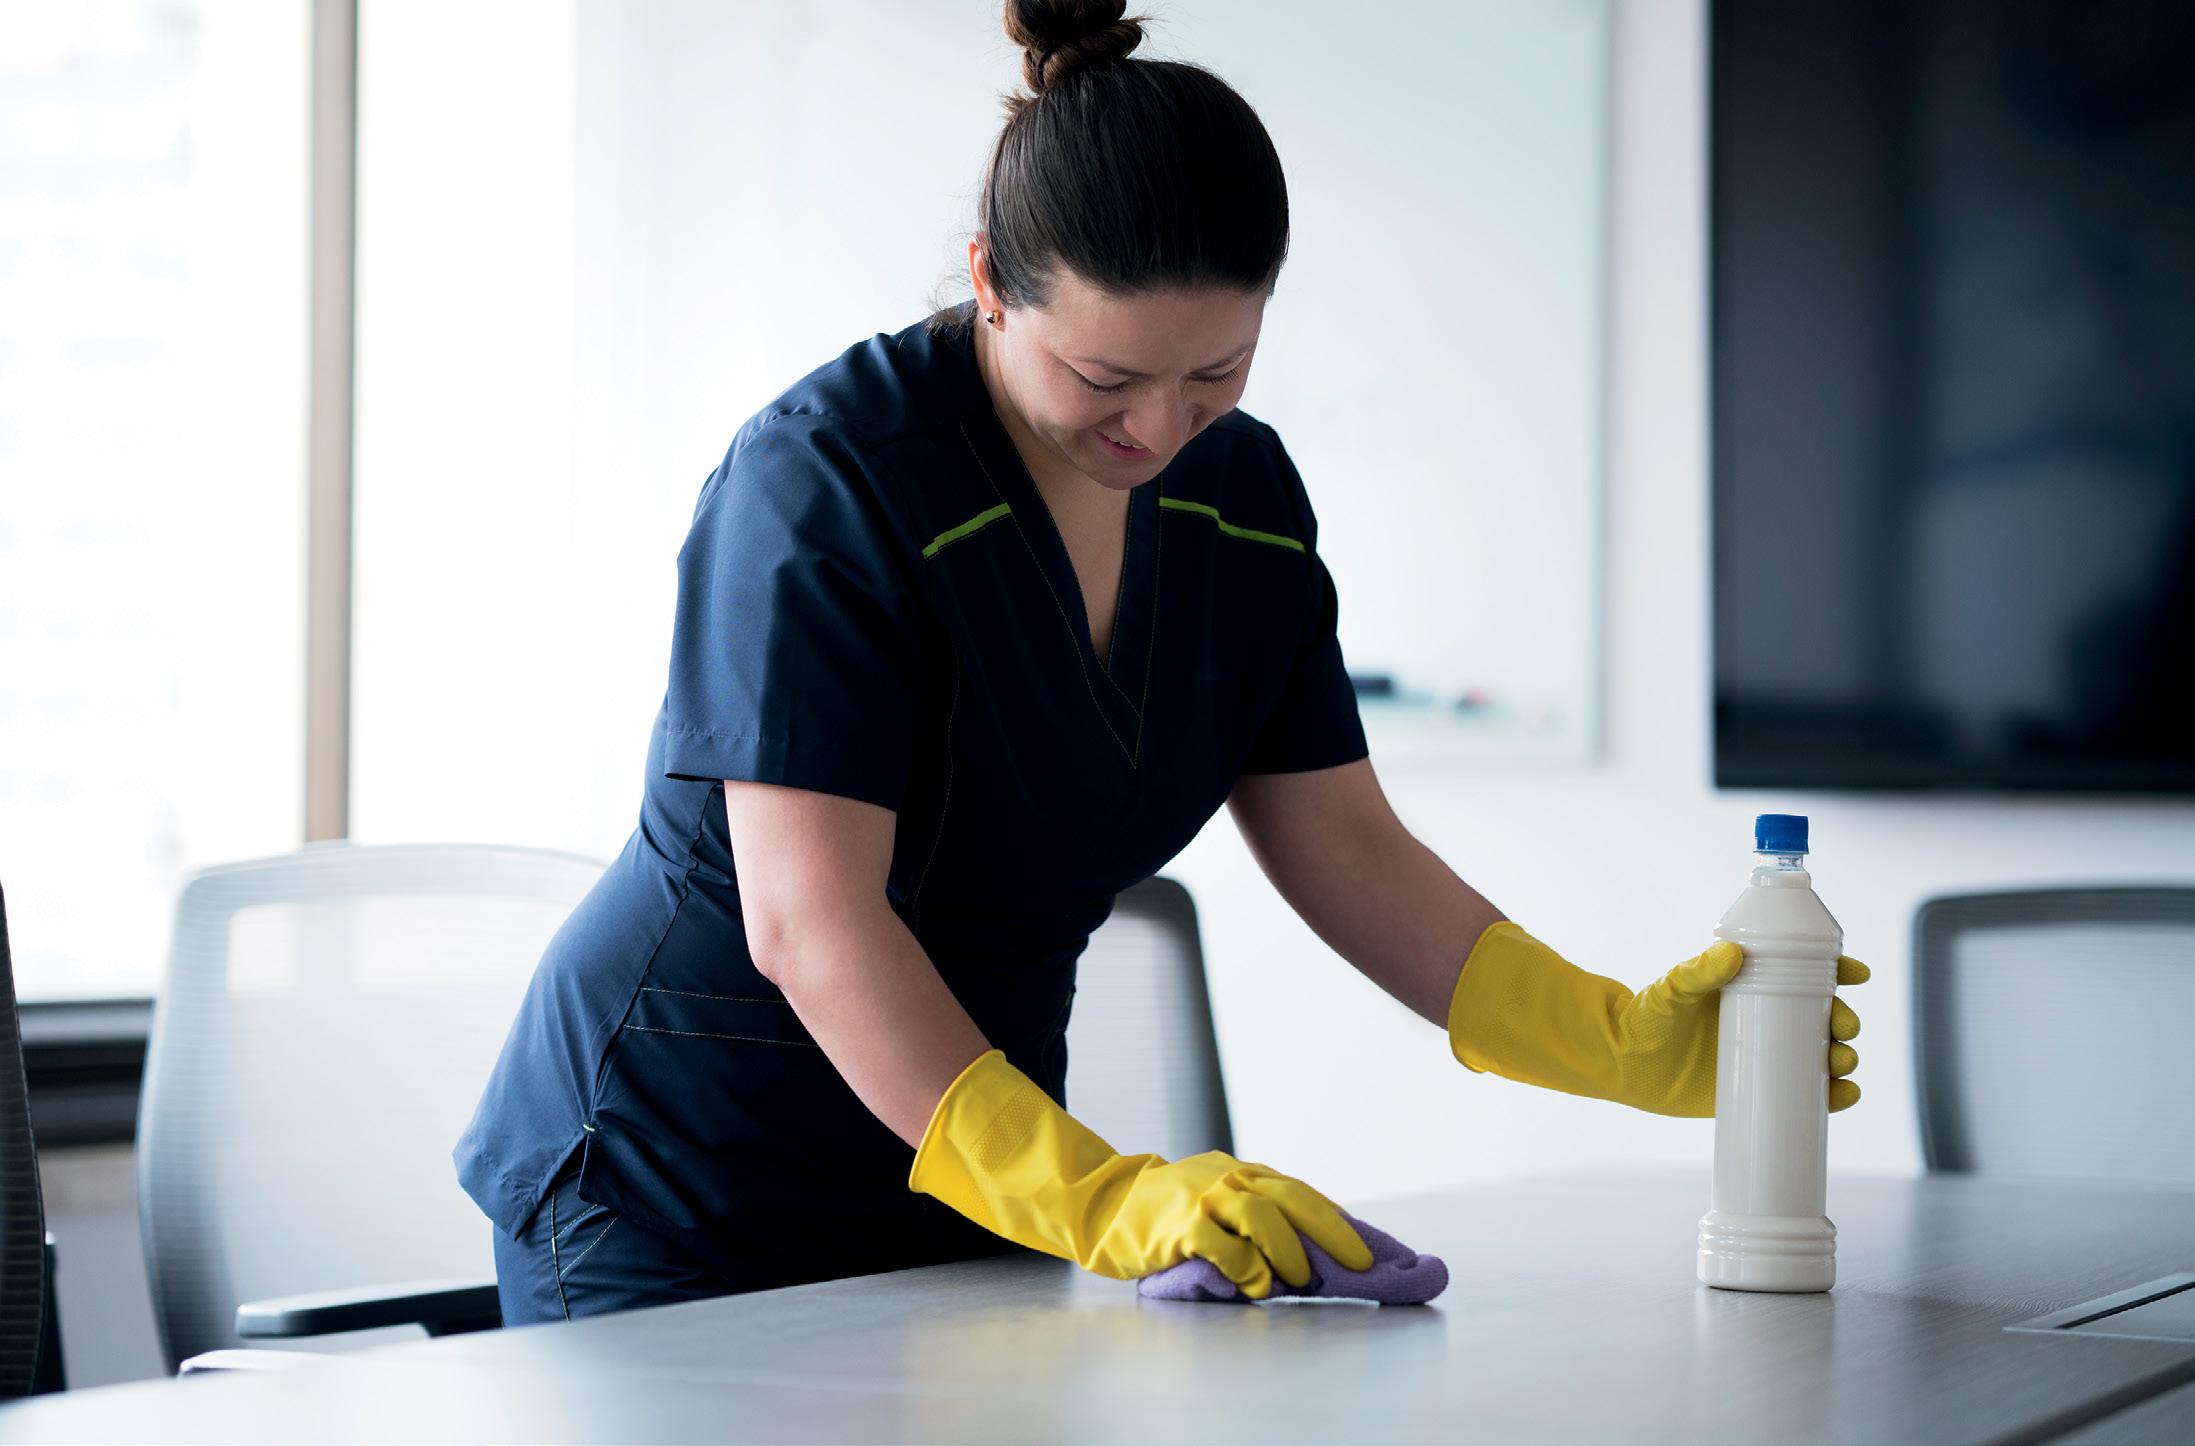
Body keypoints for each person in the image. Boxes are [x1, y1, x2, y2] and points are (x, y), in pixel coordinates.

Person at [458, 0, 1868, 1327]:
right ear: (988, 284)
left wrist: (1607, 1037)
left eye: (1216, 374)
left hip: (972, 1187)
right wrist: (1095, 1191)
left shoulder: (1239, 501)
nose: (1158, 427)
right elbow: (809, 918)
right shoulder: (826, 483)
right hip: (678, 1180)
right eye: (1104, 378)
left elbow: (1349, 849)